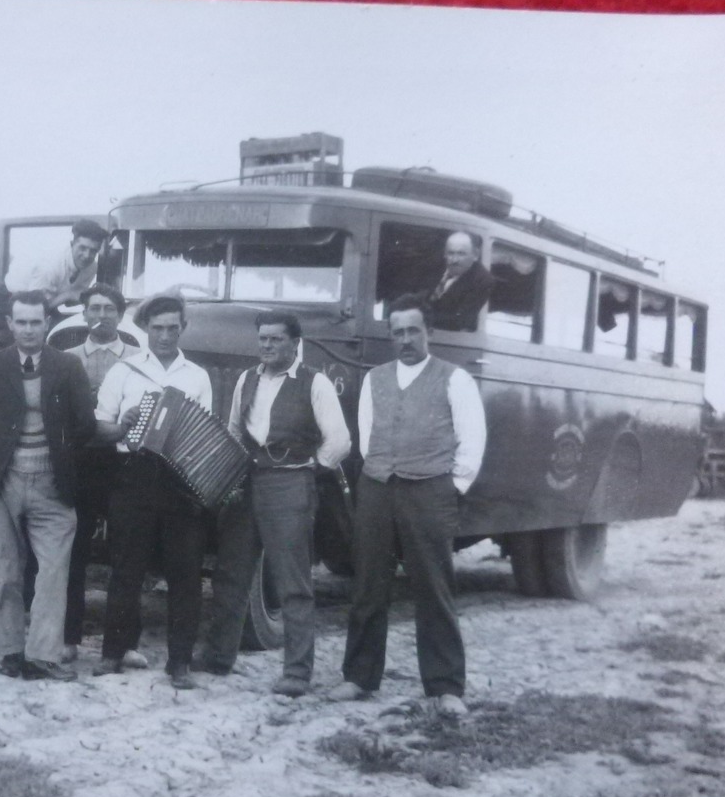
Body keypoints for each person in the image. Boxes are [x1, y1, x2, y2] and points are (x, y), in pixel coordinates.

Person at [337, 294, 487, 717]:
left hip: (430, 490)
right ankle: (359, 677)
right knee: (368, 585)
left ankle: (445, 686)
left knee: (433, 589)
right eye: (397, 332)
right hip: (378, 487)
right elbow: (366, 437)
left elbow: (471, 440)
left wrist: (450, 486)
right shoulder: (375, 379)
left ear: (429, 332)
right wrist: (381, 471)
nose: (405, 339)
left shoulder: (454, 379)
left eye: (413, 331)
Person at [200, 311, 351, 697]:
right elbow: (235, 429)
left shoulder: (315, 383)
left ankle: (297, 673)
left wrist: (309, 470)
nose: (267, 345)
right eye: (263, 339)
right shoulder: (245, 379)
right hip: (247, 481)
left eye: (275, 340)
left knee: (293, 582)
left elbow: (339, 441)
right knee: (231, 573)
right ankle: (218, 658)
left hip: (290, 485)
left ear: (294, 343)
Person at [0, 289, 96, 681]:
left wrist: (58, 454)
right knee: (3, 571)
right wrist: (2, 452)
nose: (28, 329)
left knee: (53, 572)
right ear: (9, 324)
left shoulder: (68, 366)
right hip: (2, 482)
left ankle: (43, 655)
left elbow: (84, 424)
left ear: (48, 323)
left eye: (36, 321)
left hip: (53, 484)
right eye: (20, 322)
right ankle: (9, 652)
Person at [91, 294, 214, 690]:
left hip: (179, 479)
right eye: (157, 328)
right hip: (133, 473)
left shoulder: (196, 375)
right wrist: (123, 427)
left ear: (183, 328)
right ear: (145, 329)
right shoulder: (123, 371)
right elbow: (99, 428)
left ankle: (179, 662)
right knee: (126, 567)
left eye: (172, 328)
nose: (164, 335)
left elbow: (205, 436)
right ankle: (113, 652)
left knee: (185, 572)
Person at [62, 283, 137, 666]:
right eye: (95, 308)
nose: (102, 315)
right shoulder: (67, 358)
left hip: (125, 462)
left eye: (110, 309)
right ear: (84, 313)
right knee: (74, 550)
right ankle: (68, 637)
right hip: (83, 462)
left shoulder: (139, 359)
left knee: (129, 552)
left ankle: (125, 642)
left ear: (121, 315)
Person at [34, 219, 108, 319]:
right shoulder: (50, 267)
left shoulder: (92, 267)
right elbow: (35, 308)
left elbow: (73, 301)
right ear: (72, 244)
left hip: (51, 309)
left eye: (93, 251)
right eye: (82, 248)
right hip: (22, 306)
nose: (87, 256)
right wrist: (67, 295)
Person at [425, 231, 493, 333]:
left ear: (475, 255)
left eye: (461, 254)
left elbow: (460, 321)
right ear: (445, 253)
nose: (454, 260)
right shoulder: (433, 265)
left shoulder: (481, 280)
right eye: (450, 253)